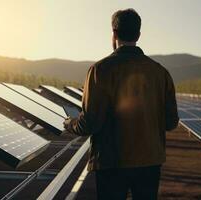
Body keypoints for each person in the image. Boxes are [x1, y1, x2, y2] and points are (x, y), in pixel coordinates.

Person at [63, 8, 179, 200]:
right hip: (150, 162)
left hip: (111, 163)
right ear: (139, 35)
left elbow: (90, 123)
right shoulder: (160, 72)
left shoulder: (100, 70)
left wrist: (71, 123)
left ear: (114, 34)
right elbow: (171, 122)